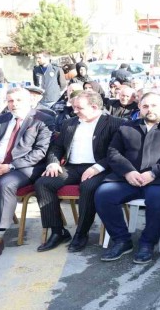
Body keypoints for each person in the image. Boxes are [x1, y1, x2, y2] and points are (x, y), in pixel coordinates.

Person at [95, 93, 160, 263]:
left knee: (158, 199)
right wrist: (128, 172)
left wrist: (154, 173)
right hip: (128, 179)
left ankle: (147, 243)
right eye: (145, 106)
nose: (149, 109)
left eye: (154, 105)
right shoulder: (126, 127)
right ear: (139, 108)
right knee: (103, 194)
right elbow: (113, 153)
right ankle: (122, 240)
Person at [34, 91, 123, 252]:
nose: (74, 111)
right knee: (43, 183)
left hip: (100, 168)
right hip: (72, 167)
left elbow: (116, 151)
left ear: (94, 107)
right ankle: (58, 231)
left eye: (78, 108)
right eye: (73, 107)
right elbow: (57, 147)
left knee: (88, 187)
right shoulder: (70, 123)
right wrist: (53, 163)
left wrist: (97, 167)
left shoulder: (115, 123)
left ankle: (81, 233)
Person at [0, 88, 54, 258]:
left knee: (6, 184)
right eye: (10, 101)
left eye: (18, 100)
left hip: (23, 168)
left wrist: (9, 166)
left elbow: (40, 152)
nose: (14, 104)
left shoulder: (43, 120)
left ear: (30, 101)